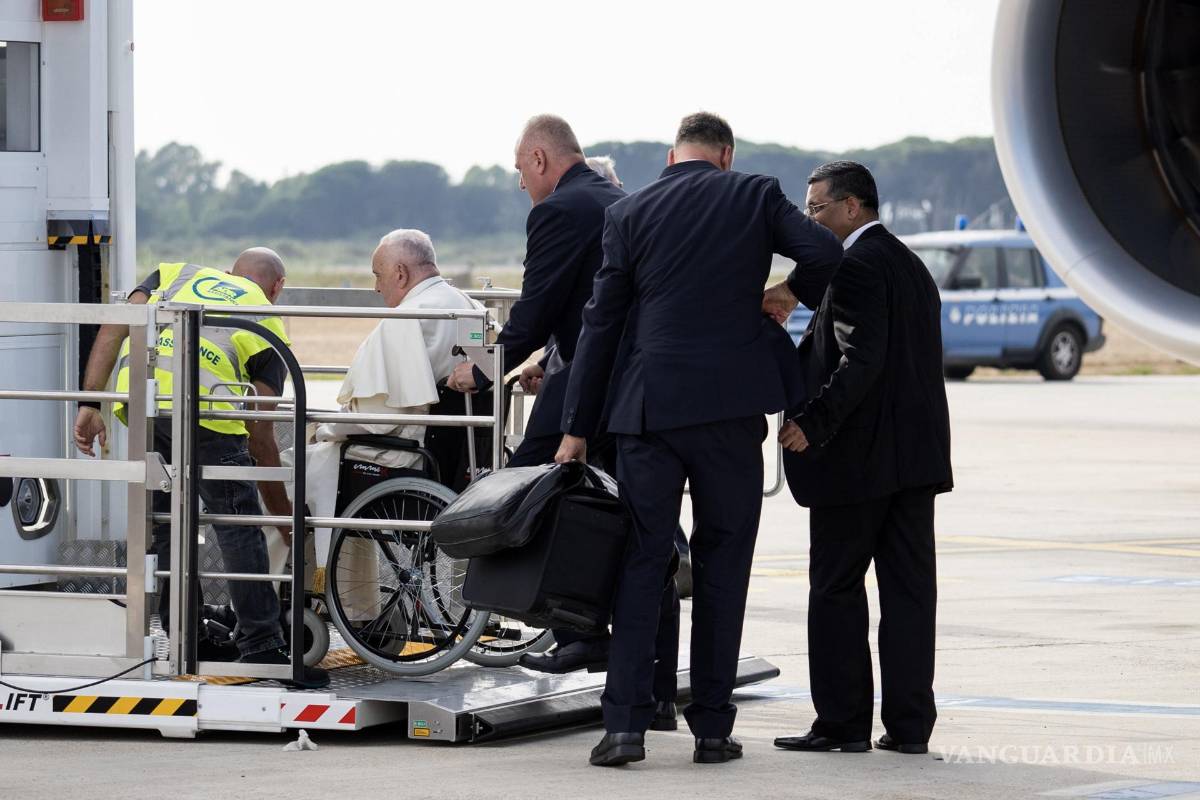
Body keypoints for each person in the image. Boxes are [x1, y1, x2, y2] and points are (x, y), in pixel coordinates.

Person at [556, 112, 842, 767]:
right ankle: (712, 728)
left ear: (671, 154)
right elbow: (825, 251)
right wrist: (790, 289)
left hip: (648, 410)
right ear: (726, 153)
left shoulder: (630, 212)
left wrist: (576, 428)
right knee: (723, 566)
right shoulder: (753, 192)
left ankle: (624, 726)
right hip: (729, 409)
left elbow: (600, 325)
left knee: (641, 564)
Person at [72, 248, 329, 688]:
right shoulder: (265, 319)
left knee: (168, 524)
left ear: (230, 272)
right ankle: (263, 646)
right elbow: (261, 434)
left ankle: (186, 637)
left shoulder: (175, 272)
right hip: (208, 418)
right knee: (237, 525)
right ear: (277, 287)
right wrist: (284, 517)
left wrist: (90, 402)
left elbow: (116, 325)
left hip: (145, 412)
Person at [768, 162, 953, 756]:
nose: (810, 220)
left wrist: (812, 423)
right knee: (908, 596)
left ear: (853, 208)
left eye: (817, 209)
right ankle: (908, 727)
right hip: (914, 463)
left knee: (836, 590)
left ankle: (842, 722)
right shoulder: (911, 267)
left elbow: (861, 358)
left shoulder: (856, 265)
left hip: (859, 462)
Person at [446, 114, 627, 675]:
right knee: (612, 503)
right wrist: (544, 359)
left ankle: (571, 626)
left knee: (530, 484)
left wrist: (479, 370)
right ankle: (594, 631)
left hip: (590, 380)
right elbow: (589, 300)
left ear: (540, 160)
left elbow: (536, 305)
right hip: (627, 378)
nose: (521, 184)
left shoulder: (557, 211)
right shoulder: (618, 199)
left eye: (520, 170)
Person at [280, 229, 479, 587]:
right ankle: (355, 606)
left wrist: (325, 427)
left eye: (378, 275)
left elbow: (375, 420)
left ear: (400, 273)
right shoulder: (470, 308)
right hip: (454, 458)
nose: (376, 287)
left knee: (285, 470)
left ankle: (263, 596)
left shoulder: (404, 322)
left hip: (401, 457)